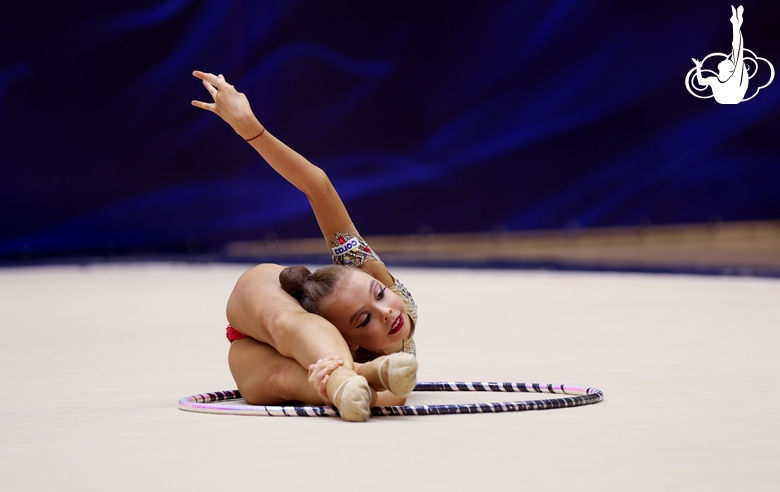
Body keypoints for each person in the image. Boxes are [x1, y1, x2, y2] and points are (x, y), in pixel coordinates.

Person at [191, 70, 419, 422]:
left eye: (378, 295)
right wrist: (252, 129)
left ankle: (340, 382)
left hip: (257, 359)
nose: (387, 310)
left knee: (288, 380)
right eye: (364, 319)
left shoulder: (375, 282)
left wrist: (357, 375)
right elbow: (318, 186)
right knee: (286, 323)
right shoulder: (309, 319)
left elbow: (395, 396)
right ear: (347, 341)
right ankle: (342, 376)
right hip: (263, 303)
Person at [692, 5, 747, 104]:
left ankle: (736, 24)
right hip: (727, 98)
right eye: (727, 60)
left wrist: (736, 25)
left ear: (729, 69)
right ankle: (736, 24)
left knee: (737, 50)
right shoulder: (714, 80)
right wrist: (698, 67)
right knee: (737, 51)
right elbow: (701, 82)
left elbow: (737, 48)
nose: (725, 59)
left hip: (733, 96)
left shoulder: (734, 77)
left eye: (727, 61)